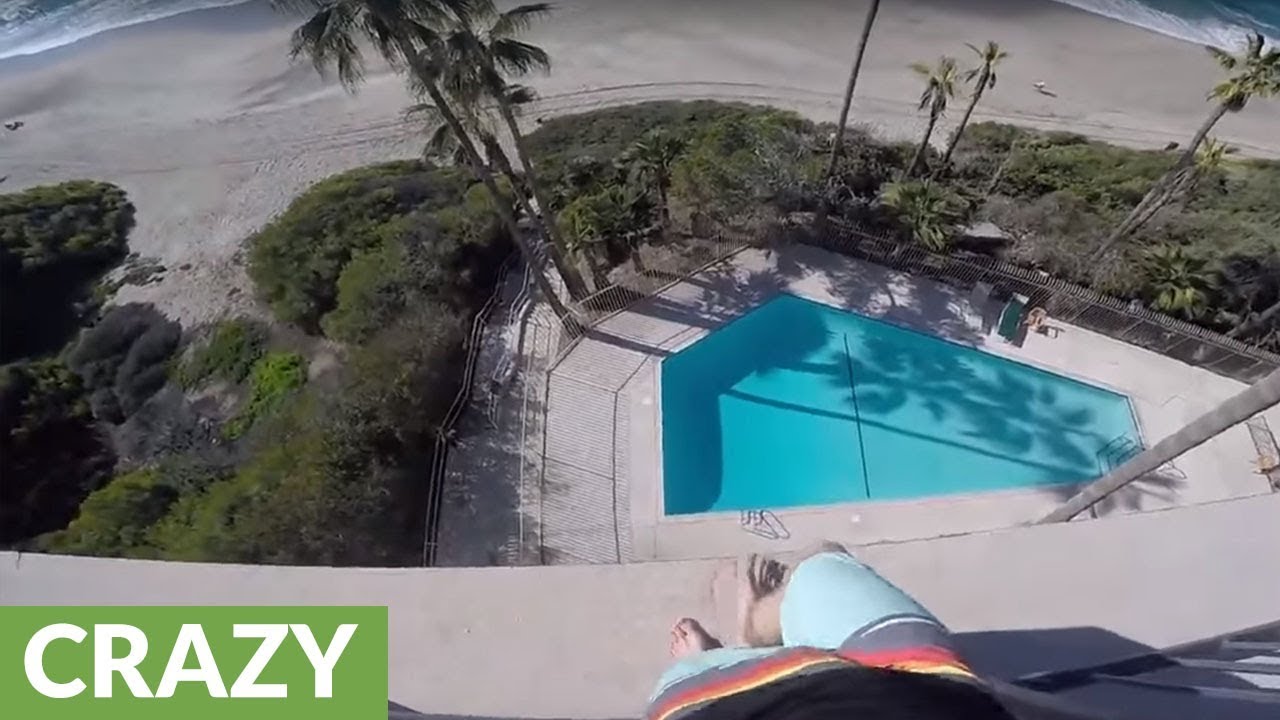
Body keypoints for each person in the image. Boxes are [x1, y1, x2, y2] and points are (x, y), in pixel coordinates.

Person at [646, 543, 1015, 720]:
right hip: (924, 683)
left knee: (693, 678)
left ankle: (730, 654)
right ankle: (752, 634)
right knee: (823, 562)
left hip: (728, 705)